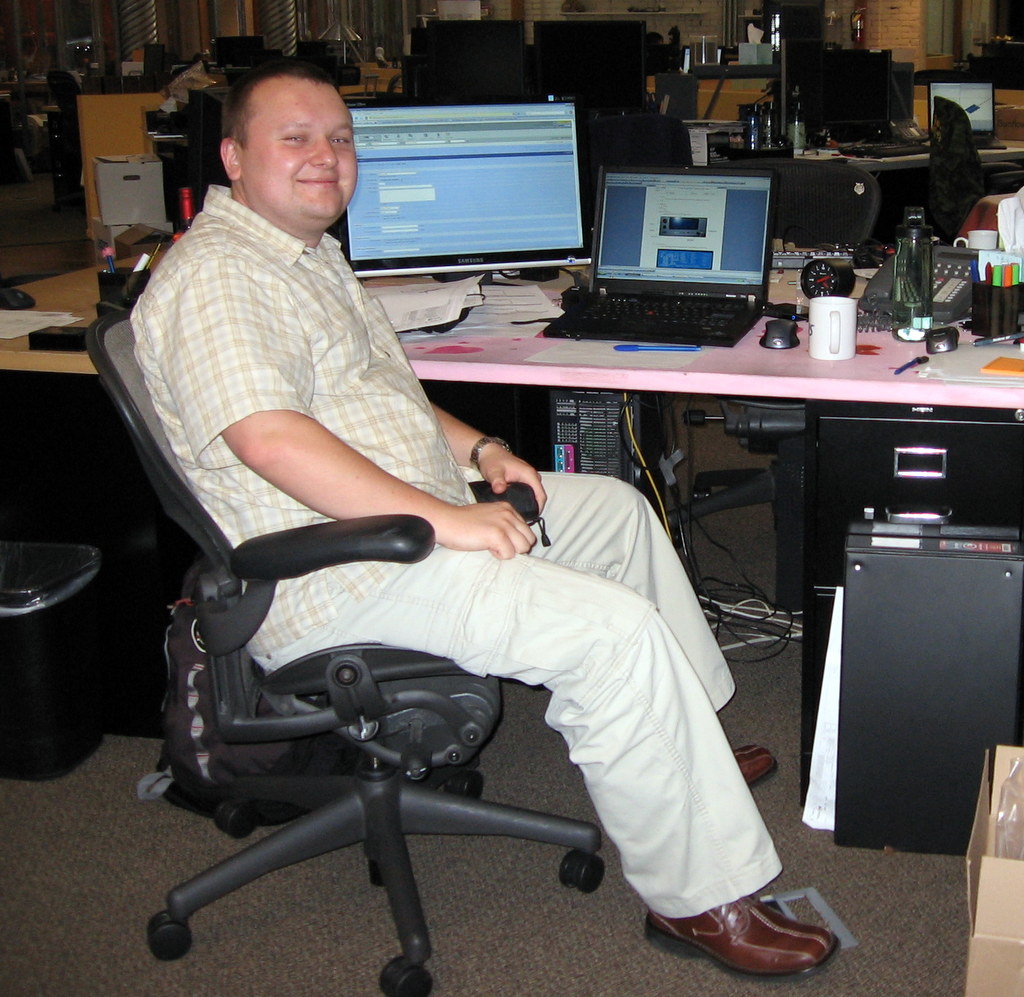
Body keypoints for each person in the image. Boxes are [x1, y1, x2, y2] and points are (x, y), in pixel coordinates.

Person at [133, 59, 837, 980]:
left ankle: (686, 745)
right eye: (294, 138)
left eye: (339, 138)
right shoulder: (220, 277)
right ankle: (696, 896)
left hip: (398, 518)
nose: (326, 157)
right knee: (613, 634)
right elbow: (270, 438)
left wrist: (484, 454)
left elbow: (384, 393)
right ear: (233, 156)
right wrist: (444, 518)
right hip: (333, 571)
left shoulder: (304, 254)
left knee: (616, 512)